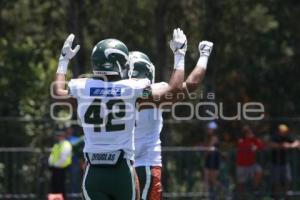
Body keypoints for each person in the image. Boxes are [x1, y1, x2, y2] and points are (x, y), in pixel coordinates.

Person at [53, 29, 186, 200]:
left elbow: (58, 91)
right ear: (118, 64)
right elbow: (173, 90)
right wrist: (179, 54)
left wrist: (63, 61)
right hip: (122, 172)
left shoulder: (82, 87)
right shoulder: (131, 89)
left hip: (93, 172)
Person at [130, 40, 213, 200]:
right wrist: (203, 55)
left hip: (119, 165)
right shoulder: (154, 92)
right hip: (146, 165)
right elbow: (191, 84)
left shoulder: (114, 92)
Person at [269, 124, 299, 200]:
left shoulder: (287, 137)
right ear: (279, 131)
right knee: (276, 181)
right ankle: (277, 197)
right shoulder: (274, 137)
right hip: (275, 163)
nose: (284, 132)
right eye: (282, 131)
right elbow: (271, 144)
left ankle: (287, 197)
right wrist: (281, 146)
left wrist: (289, 145)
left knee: (287, 180)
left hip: (285, 163)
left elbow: (297, 143)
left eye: (285, 131)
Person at [236, 125, 264, 197]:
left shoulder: (254, 140)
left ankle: (254, 188)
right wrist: (252, 146)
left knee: (259, 171)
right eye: (247, 133)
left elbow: (261, 146)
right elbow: (243, 147)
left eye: (250, 132)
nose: (249, 134)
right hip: (242, 165)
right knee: (241, 183)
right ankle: (241, 196)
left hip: (251, 164)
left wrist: (254, 139)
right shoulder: (241, 140)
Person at [48, 128, 72, 199]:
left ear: (63, 136)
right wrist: (50, 164)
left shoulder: (66, 144)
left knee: (61, 188)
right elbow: (52, 156)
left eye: (60, 135)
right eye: (57, 135)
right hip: (55, 169)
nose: (58, 136)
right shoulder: (57, 144)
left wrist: (54, 165)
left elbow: (63, 158)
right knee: (54, 188)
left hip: (61, 169)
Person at [203, 122, 221, 200]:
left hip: (214, 160)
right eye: (208, 128)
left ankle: (224, 192)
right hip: (209, 160)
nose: (208, 130)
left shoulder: (214, 138)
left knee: (213, 180)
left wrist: (205, 153)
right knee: (206, 179)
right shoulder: (208, 138)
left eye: (210, 129)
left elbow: (209, 149)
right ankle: (207, 196)